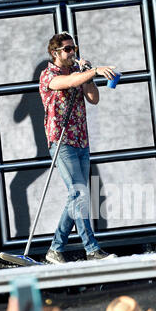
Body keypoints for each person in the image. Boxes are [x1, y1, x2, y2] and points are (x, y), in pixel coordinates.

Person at [39, 31, 117, 264]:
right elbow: (68, 83)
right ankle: (92, 249)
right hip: (61, 141)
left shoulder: (77, 72)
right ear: (55, 53)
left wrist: (88, 74)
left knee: (77, 195)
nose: (72, 52)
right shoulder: (48, 74)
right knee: (80, 193)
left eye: (74, 48)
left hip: (81, 139)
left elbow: (93, 98)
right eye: (67, 49)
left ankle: (55, 248)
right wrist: (92, 71)